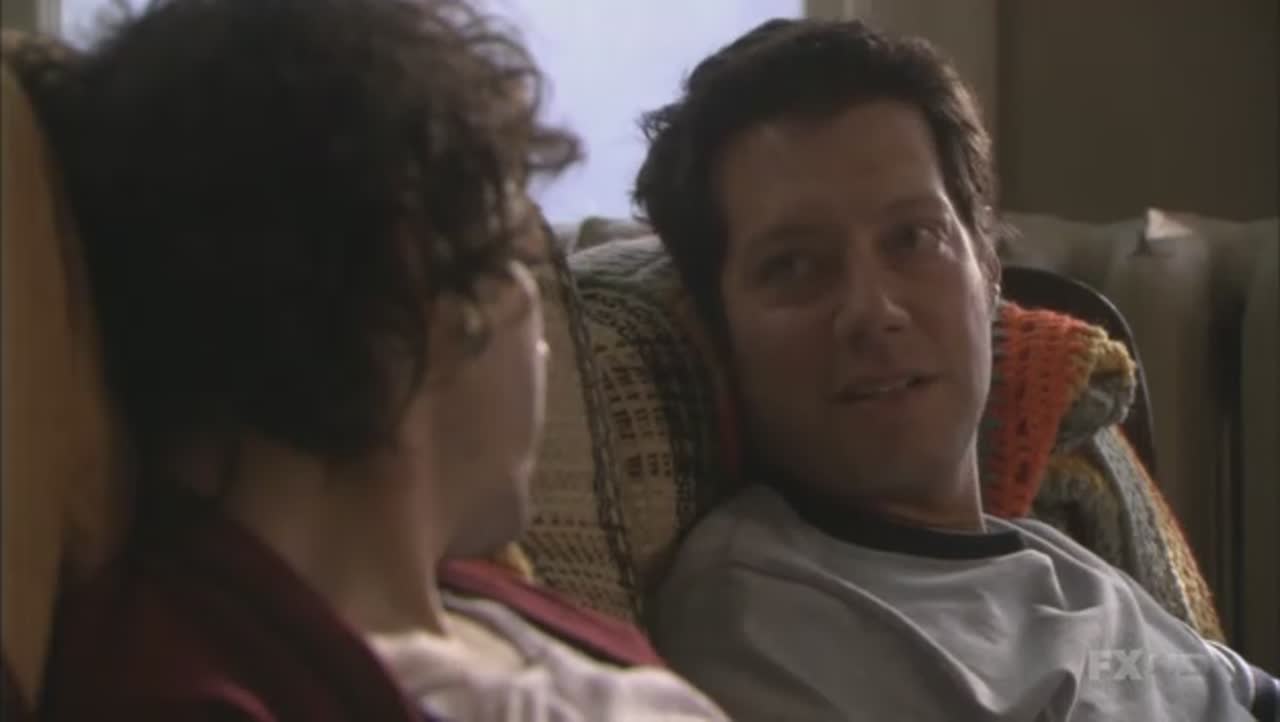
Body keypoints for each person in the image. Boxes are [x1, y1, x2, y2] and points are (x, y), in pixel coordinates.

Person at [34, 1, 728, 720]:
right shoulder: (194, 690)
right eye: (516, 257)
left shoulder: (494, 608)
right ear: (418, 283)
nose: (543, 342)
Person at [633, 17, 1279, 722]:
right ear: (717, 331)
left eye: (913, 237)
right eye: (793, 266)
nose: (873, 310)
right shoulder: (761, 618)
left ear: (988, 269)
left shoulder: (1065, 571)